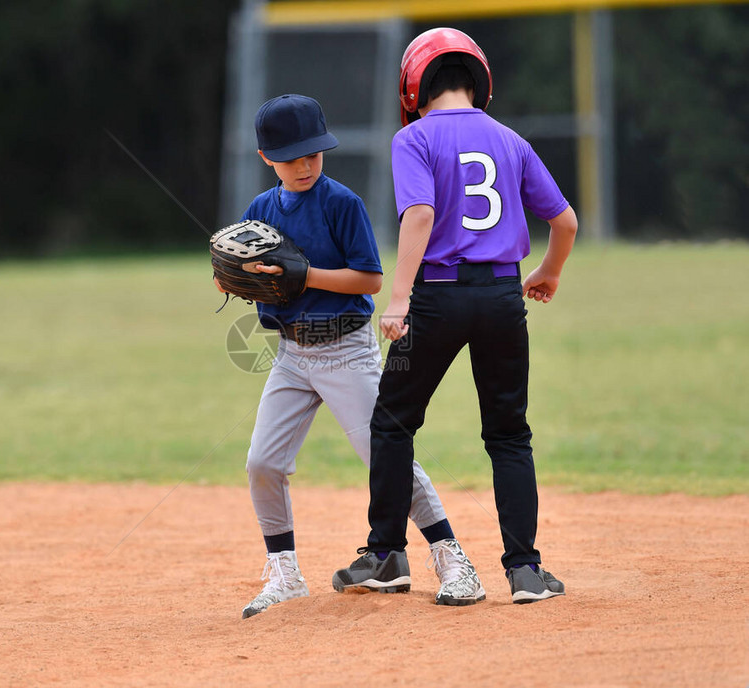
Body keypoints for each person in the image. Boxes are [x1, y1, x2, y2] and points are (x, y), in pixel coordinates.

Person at [332, 28, 578, 604]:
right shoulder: (510, 140)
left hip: (437, 299)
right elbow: (563, 222)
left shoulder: (414, 138)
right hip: (501, 300)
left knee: (392, 423)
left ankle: (388, 554)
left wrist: (398, 299)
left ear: (413, 85)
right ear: (479, 82)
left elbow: (419, 214)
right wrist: (549, 272)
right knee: (509, 435)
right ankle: (525, 572)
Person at [226, 93, 486, 619]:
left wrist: (306, 276)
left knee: (385, 459)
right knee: (261, 462)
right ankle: (285, 573)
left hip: (346, 349)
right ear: (265, 158)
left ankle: (452, 558)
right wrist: (231, 279)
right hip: (291, 356)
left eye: (313, 153)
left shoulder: (340, 203)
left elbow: (369, 278)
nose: (304, 165)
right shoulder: (260, 210)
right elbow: (250, 275)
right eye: (292, 156)